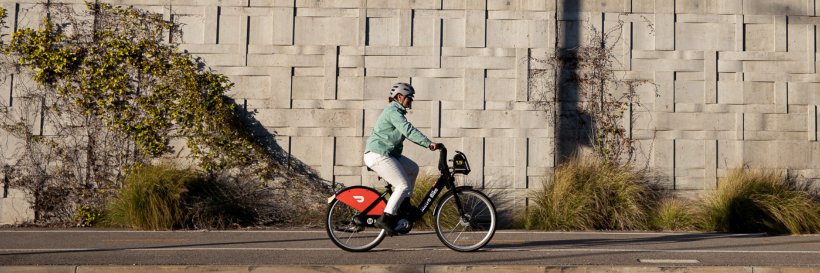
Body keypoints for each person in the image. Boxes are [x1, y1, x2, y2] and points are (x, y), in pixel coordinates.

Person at [364, 82, 440, 235]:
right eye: (409, 98)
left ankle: (404, 205)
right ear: (399, 97)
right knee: (402, 185)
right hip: (378, 154)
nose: (411, 101)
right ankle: (386, 218)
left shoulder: (397, 111)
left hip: (388, 155)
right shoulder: (393, 111)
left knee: (413, 168)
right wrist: (428, 144)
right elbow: (408, 130)